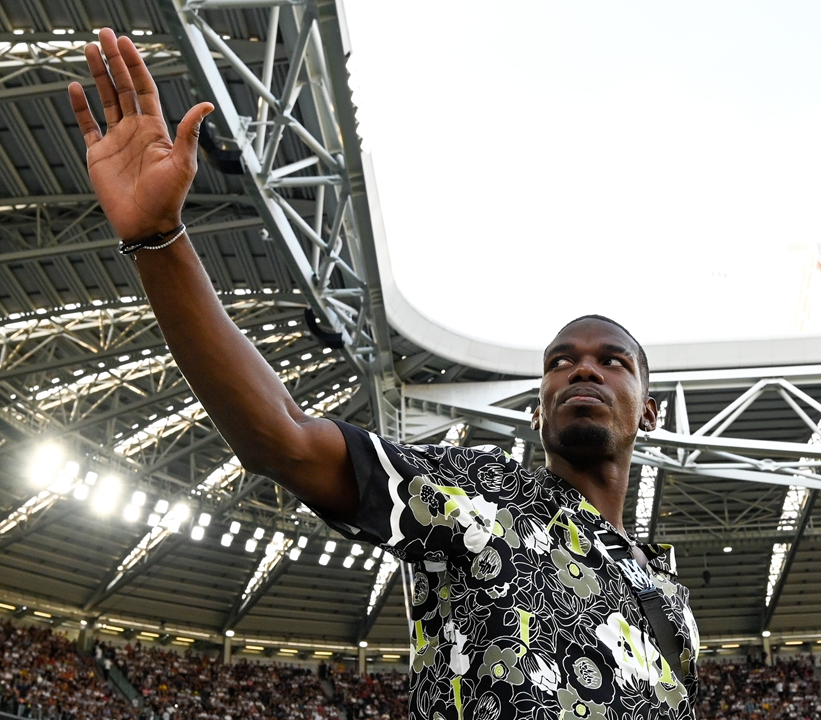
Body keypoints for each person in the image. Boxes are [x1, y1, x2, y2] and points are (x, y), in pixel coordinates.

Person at [69, 29, 699, 719]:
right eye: (559, 362)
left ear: (648, 411)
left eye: (612, 361)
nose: (582, 369)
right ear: (536, 410)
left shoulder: (668, 600)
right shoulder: (481, 498)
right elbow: (281, 438)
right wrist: (160, 240)